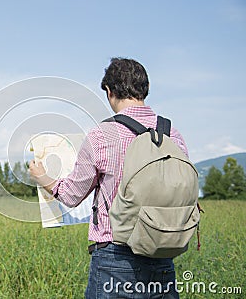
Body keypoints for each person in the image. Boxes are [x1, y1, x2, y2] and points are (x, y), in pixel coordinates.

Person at [29, 58, 186, 298]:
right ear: (145, 89)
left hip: (116, 257)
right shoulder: (172, 134)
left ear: (109, 91)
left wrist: (43, 178)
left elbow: (71, 196)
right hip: (164, 254)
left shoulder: (102, 135)